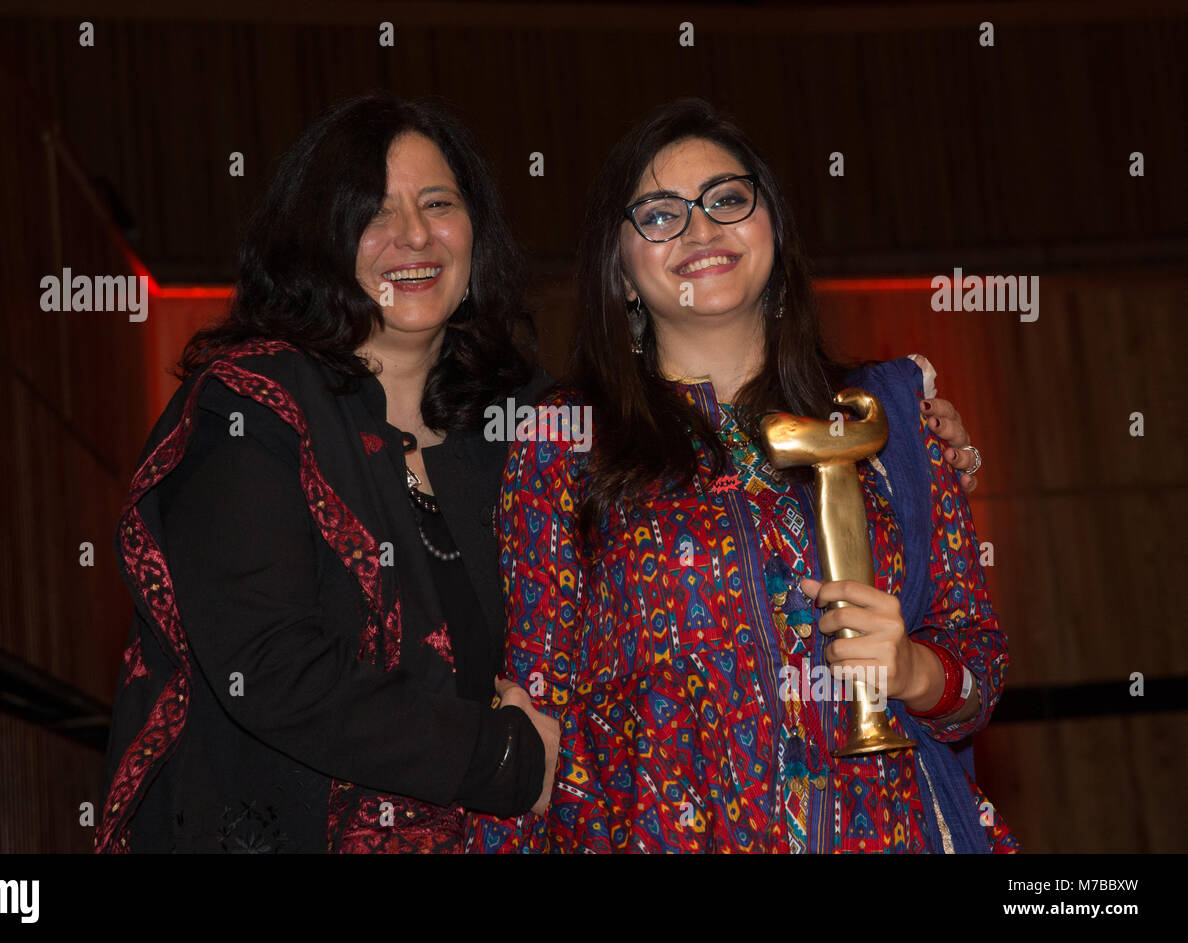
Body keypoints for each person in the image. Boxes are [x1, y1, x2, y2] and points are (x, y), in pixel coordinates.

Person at [466, 98, 1015, 853]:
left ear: (774, 232)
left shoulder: (888, 421)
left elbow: (977, 667)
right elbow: (539, 709)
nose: (700, 228)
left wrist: (915, 670)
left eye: (727, 199)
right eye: (659, 215)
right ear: (620, 272)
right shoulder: (565, 442)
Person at [95, 94, 559, 853]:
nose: (414, 235)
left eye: (437, 204)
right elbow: (272, 669)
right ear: (319, 242)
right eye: (374, 212)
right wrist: (501, 756)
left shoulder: (523, 428)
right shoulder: (252, 410)